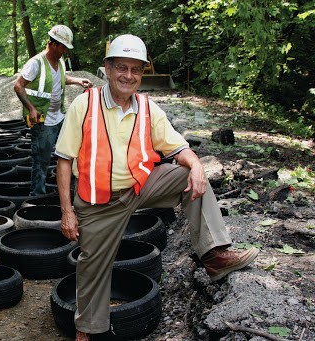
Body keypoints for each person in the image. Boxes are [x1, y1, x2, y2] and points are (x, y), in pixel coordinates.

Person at [54, 34, 259, 341]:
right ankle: (87, 330)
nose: (128, 75)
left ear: (142, 73)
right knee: (92, 267)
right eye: (121, 67)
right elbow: (64, 160)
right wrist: (67, 212)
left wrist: (198, 166)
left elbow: (179, 147)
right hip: (98, 202)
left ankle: (214, 254)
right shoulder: (85, 104)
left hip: (140, 187)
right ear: (107, 69)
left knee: (189, 176)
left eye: (135, 69)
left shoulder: (149, 108)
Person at [14, 24, 93, 196]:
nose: (65, 51)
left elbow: (61, 78)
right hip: (41, 120)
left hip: (59, 117)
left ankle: (71, 189)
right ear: (53, 44)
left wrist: (78, 81)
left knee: (70, 153)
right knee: (41, 160)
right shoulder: (35, 64)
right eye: (63, 47)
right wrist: (31, 108)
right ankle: (37, 196)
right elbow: (18, 86)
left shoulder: (60, 62)